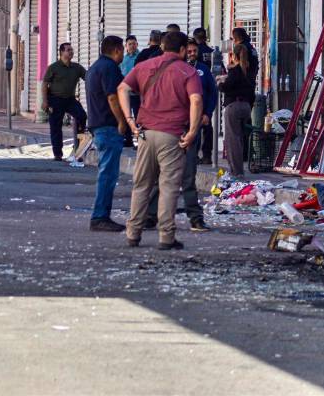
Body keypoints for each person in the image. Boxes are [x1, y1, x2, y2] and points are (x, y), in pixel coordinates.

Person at [117, 31, 203, 250]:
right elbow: (195, 100)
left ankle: (133, 233)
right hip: (171, 135)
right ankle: (166, 236)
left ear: (163, 47)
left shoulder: (145, 66)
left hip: (145, 133)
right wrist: (193, 130)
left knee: (141, 185)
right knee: (168, 186)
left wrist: (130, 121)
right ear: (182, 50)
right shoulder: (188, 72)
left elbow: (122, 88)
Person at [145, 39, 218, 232]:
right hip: (170, 130)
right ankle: (151, 216)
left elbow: (210, 95)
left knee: (188, 175)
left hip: (190, 129)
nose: (191, 53)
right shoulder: (172, 70)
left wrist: (206, 114)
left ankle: (195, 217)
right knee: (163, 175)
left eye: (194, 51)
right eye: (189, 50)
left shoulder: (201, 71)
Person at [85, 35, 129, 232]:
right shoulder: (110, 68)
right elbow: (112, 97)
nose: (123, 55)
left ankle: (101, 215)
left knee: (106, 173)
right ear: (117, 50)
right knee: (108, 175)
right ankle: (100, 216)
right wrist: (122, 121)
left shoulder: (94, 67)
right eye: (122, 50)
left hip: (97, 124)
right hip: (107, 126)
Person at [41, 43, 88, 161]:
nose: (71, 52)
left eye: (72, 50)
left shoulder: (77, 68)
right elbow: (44, 84)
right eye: (68, 50)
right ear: (61, 52)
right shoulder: (54, 67)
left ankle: (77, 145)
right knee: (56, 126)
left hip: (70, 99)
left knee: (82, 116)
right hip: (55, 99)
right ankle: (58, 153)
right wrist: (45, 101)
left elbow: (88, 77)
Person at [218, 43, 255, 177]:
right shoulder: (249, 71)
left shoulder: (235, 71)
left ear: (234, 55)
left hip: (233, 106)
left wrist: (219, 84)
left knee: (232, 140)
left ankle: (236, 171)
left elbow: (227, 86)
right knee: (240, 139)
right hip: (245, 106)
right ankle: (239, 169)